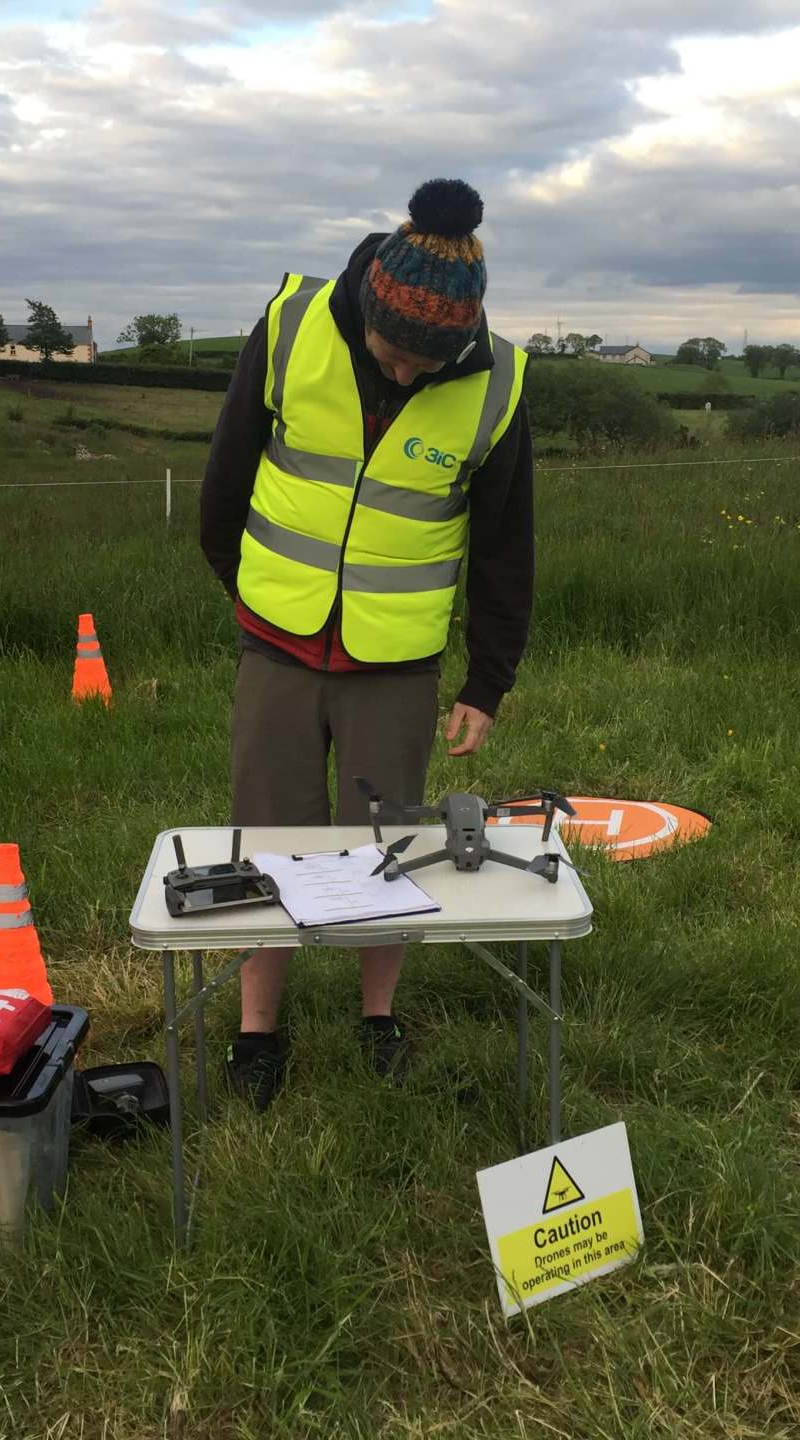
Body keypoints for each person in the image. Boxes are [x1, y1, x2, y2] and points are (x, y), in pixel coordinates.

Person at [198, 177, 535, 1111]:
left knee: (387, 846)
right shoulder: (295, 322)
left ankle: (376, 1017)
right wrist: (252, 591)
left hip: (396, 663)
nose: (406, 376)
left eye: (430, 364)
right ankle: (258, 1030)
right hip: (276, 645)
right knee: (270, 841)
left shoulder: (498, 381)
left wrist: (488, 679)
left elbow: (507, 546)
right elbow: (228, 470)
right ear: (368, 310)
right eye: (393, 356)